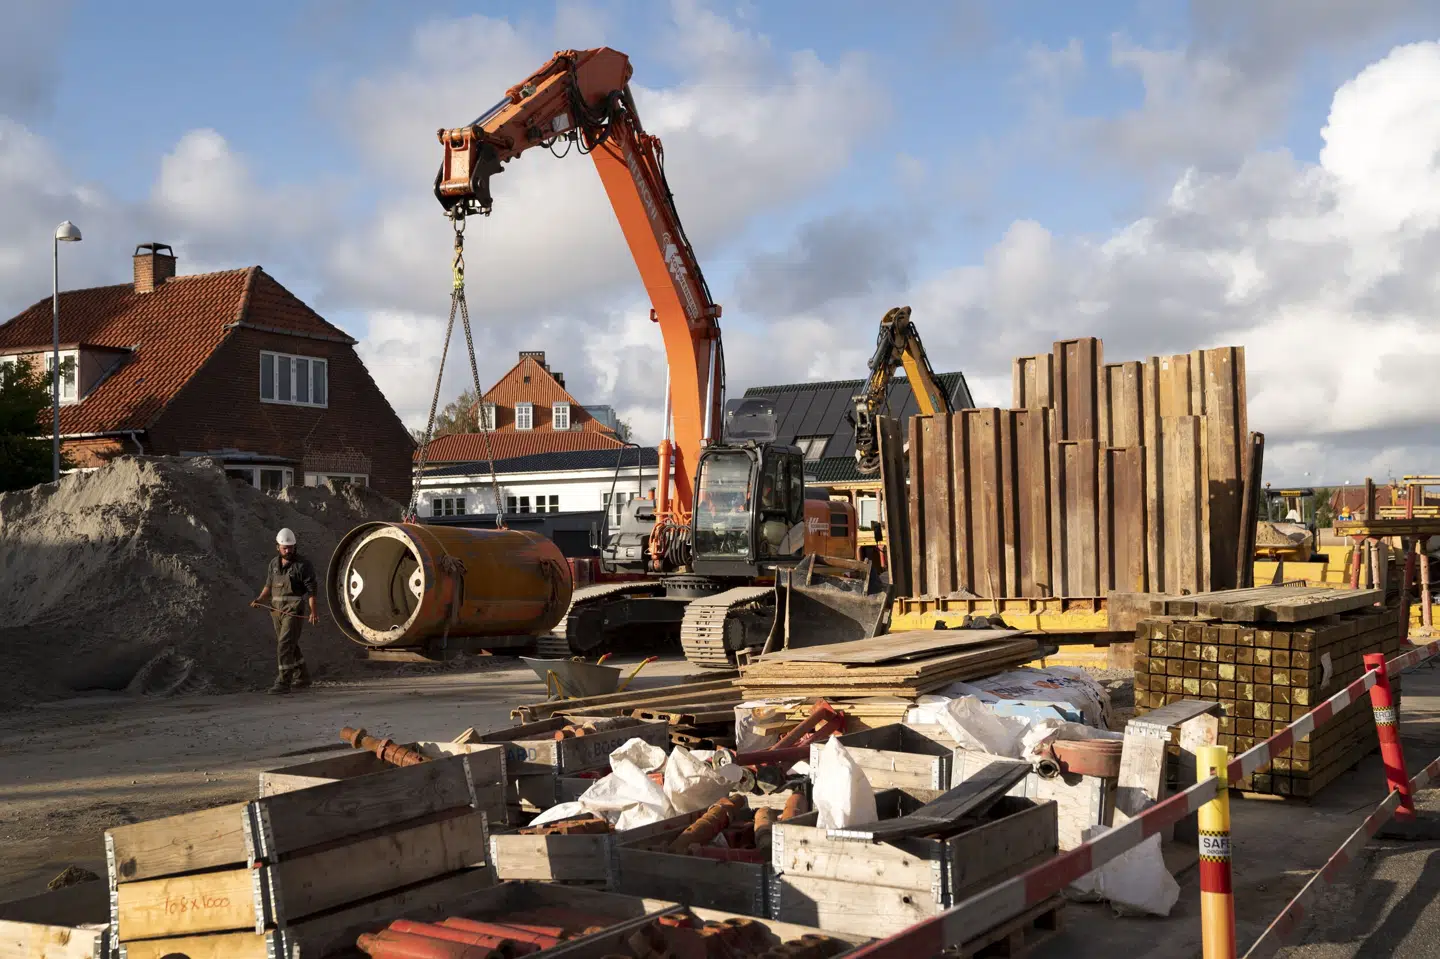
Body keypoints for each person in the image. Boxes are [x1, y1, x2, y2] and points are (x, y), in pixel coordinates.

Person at [252, 528, 319, 694]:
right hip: (276, 610)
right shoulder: (273, 564)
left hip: (293, 609)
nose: (288, 550)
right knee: (290, 644)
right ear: (278, 547)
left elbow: (311, 591)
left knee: (284, 645)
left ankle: (284, 682)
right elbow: (268, 585)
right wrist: (260, 599)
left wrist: (313, 611)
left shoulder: (303, 565)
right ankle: (303, 676)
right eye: (285, 548)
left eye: (291, 547)